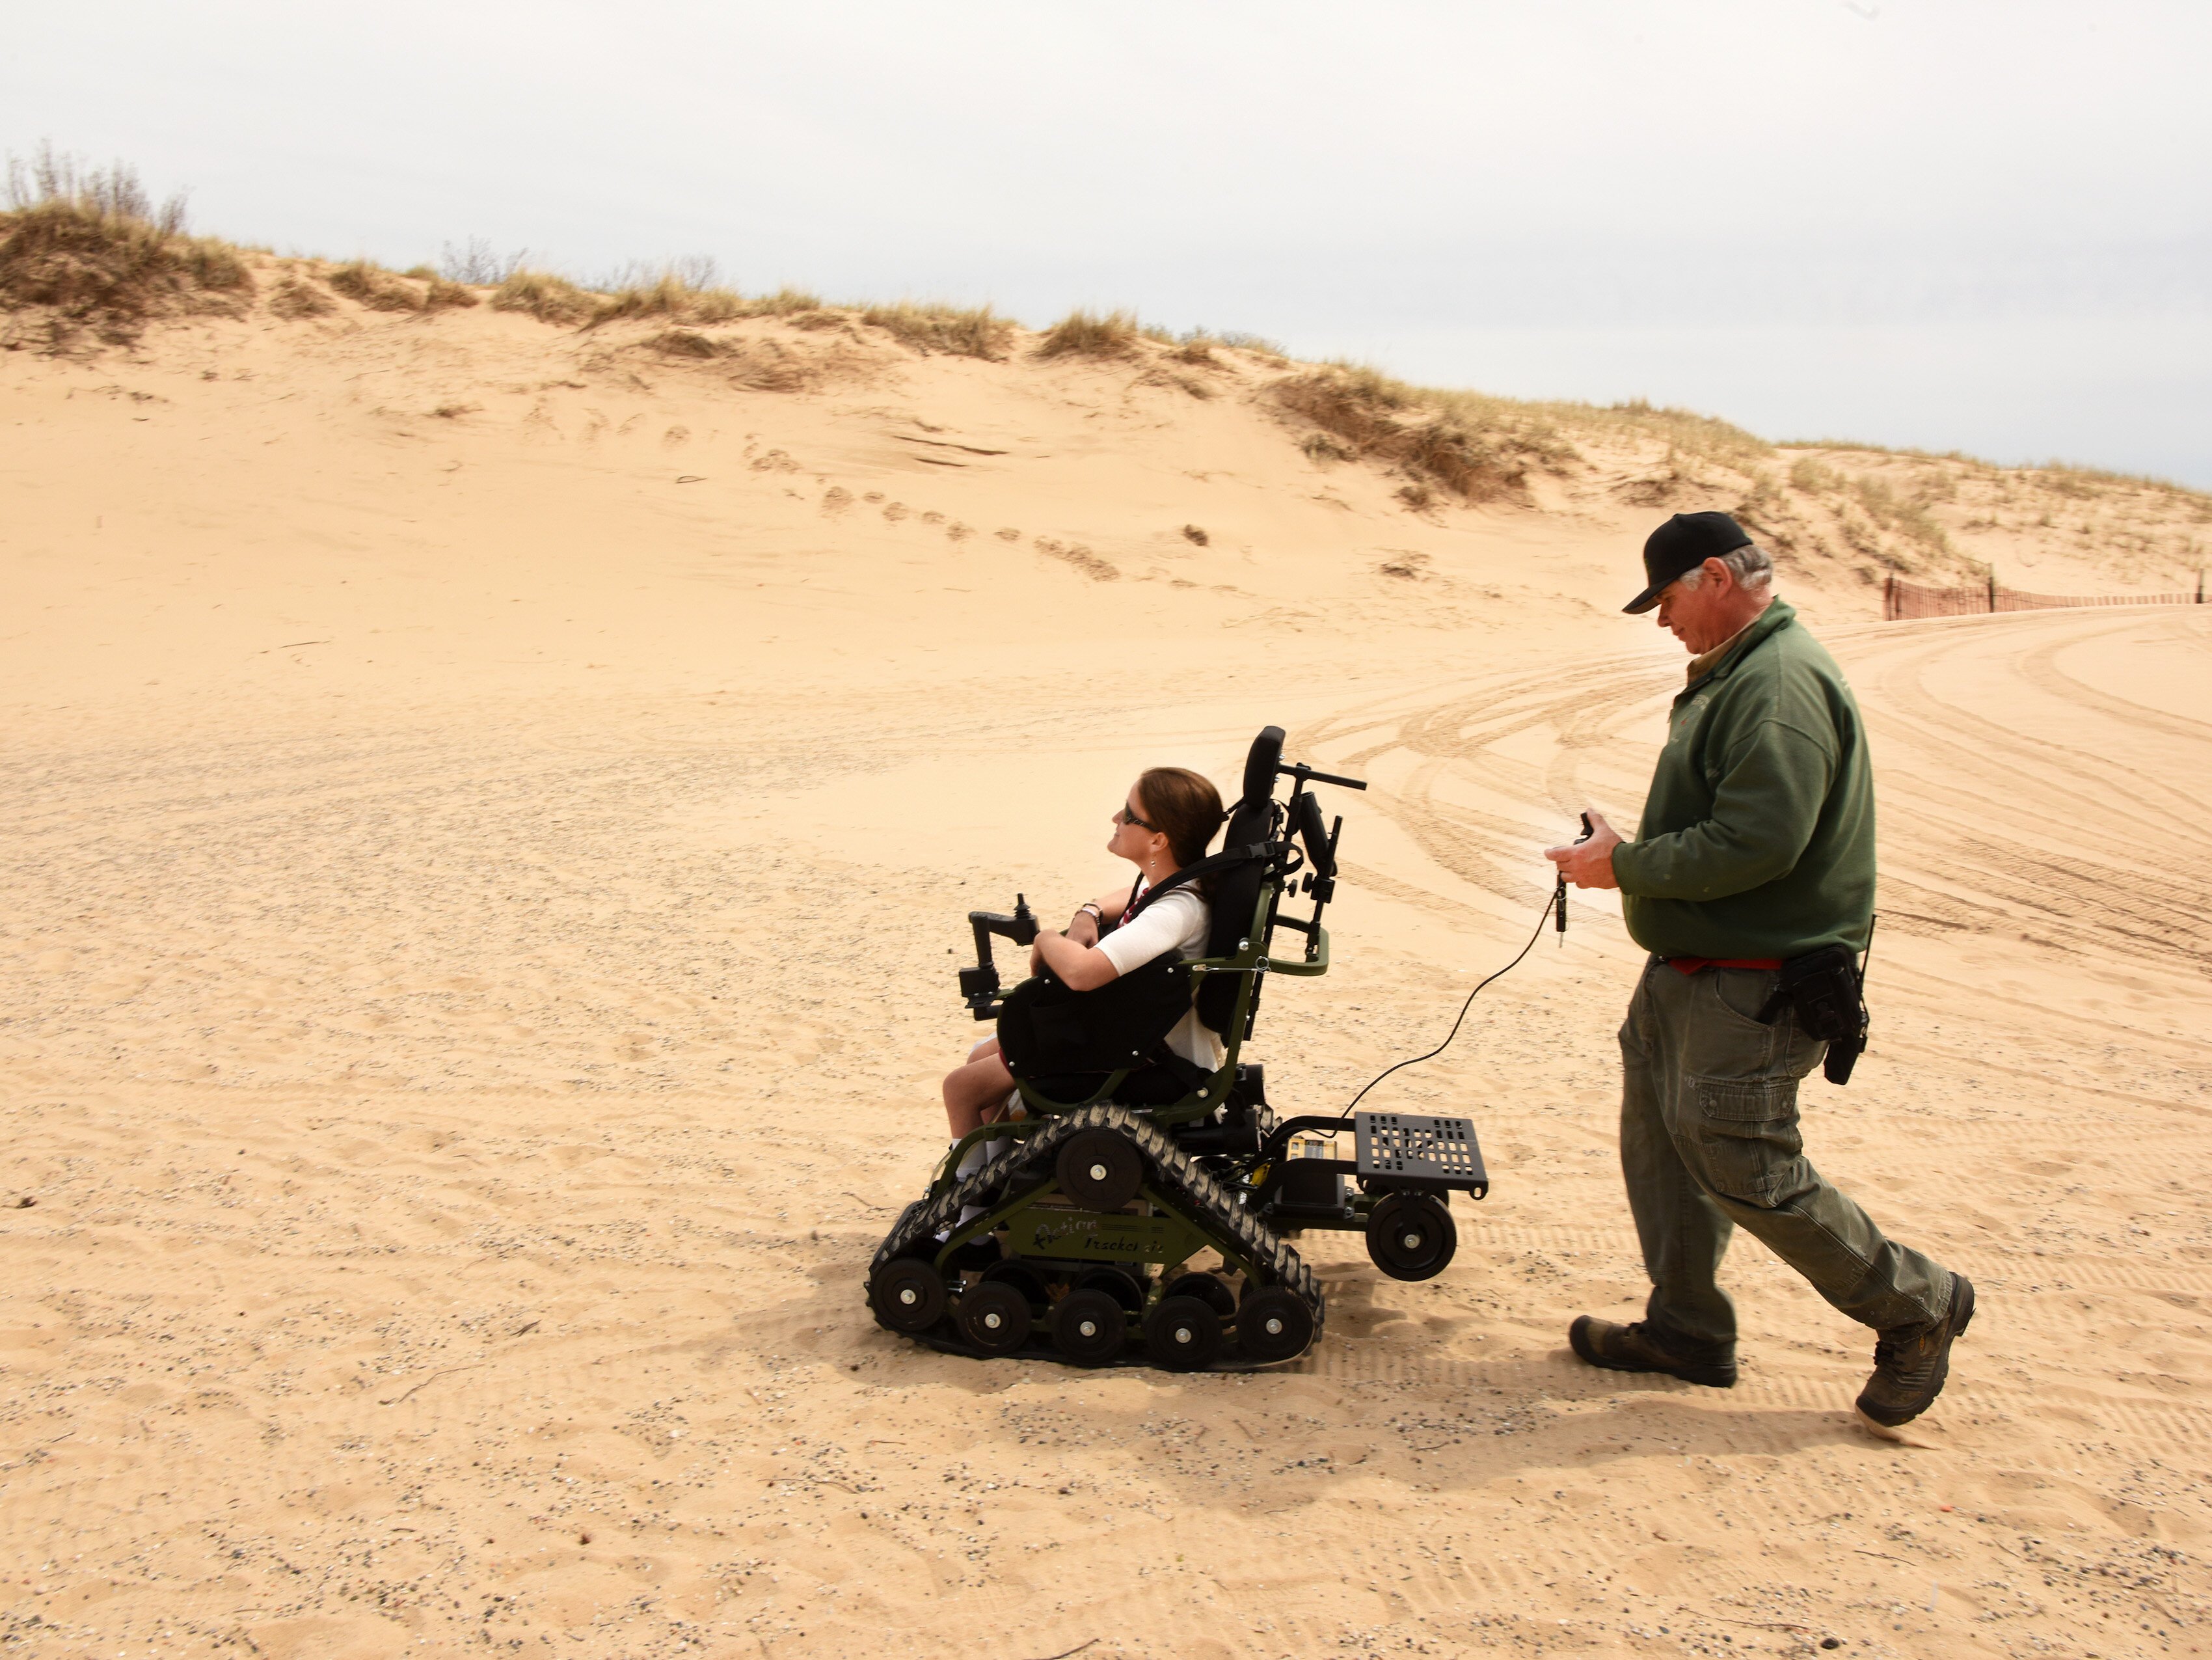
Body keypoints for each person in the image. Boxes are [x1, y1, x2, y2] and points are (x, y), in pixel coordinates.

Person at [1545, 511, 1973, 1430]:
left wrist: (1623, 865)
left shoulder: (1777, 682)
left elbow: (1760, 840)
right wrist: (1632, 859)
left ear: (1712, 576)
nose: (1663, 622)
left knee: (1745, 1163)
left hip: (1757, 977)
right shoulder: (1742, 671)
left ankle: (1919, 1302)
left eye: (1665, 600)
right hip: (1693, 965)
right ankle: (1688, 1328)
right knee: (1664, 1142)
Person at [937, 767, 1225, 1204]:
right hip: (1131, 1035)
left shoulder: (1176, 912)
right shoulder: (1180, 883)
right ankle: (991, 1184)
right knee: (982, 1055)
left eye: (1129, 814)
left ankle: (967, 1222)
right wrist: (1088, 912)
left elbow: (1083, 972)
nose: (1116, 817)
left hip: (1144, 1058)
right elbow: (1130, 900)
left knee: (961, 1087)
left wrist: (1045, 939)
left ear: (1158, 840)